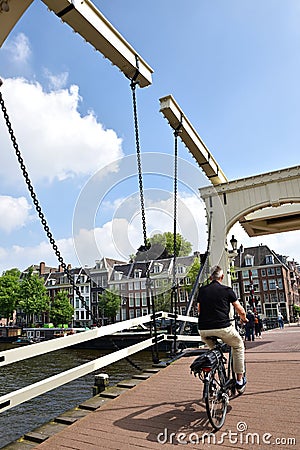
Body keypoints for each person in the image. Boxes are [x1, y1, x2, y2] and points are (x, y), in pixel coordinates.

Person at [197, 265, 248, 394]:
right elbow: (240, 310)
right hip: (222, 328)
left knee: (213, 350)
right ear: (222, 277)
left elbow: (199, 310)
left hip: (203, 330)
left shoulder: (202, 291)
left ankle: (212, 378)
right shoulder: (227, 290)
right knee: (238, 346)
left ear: (210, 278)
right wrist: (244, 319)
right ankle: (239, 381)